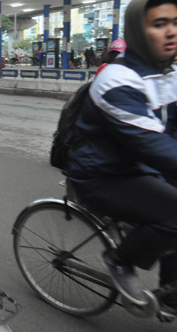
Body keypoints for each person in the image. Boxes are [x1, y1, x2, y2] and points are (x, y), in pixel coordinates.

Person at [68, 0, 177, 319]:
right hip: (102, 176)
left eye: (175, 21)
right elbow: (152, 145)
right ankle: (119, 258)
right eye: (159, 24)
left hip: (140, 167)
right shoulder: (116, 79)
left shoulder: (167, 72)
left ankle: (170, 294)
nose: (171, 31)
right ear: (137, 32)